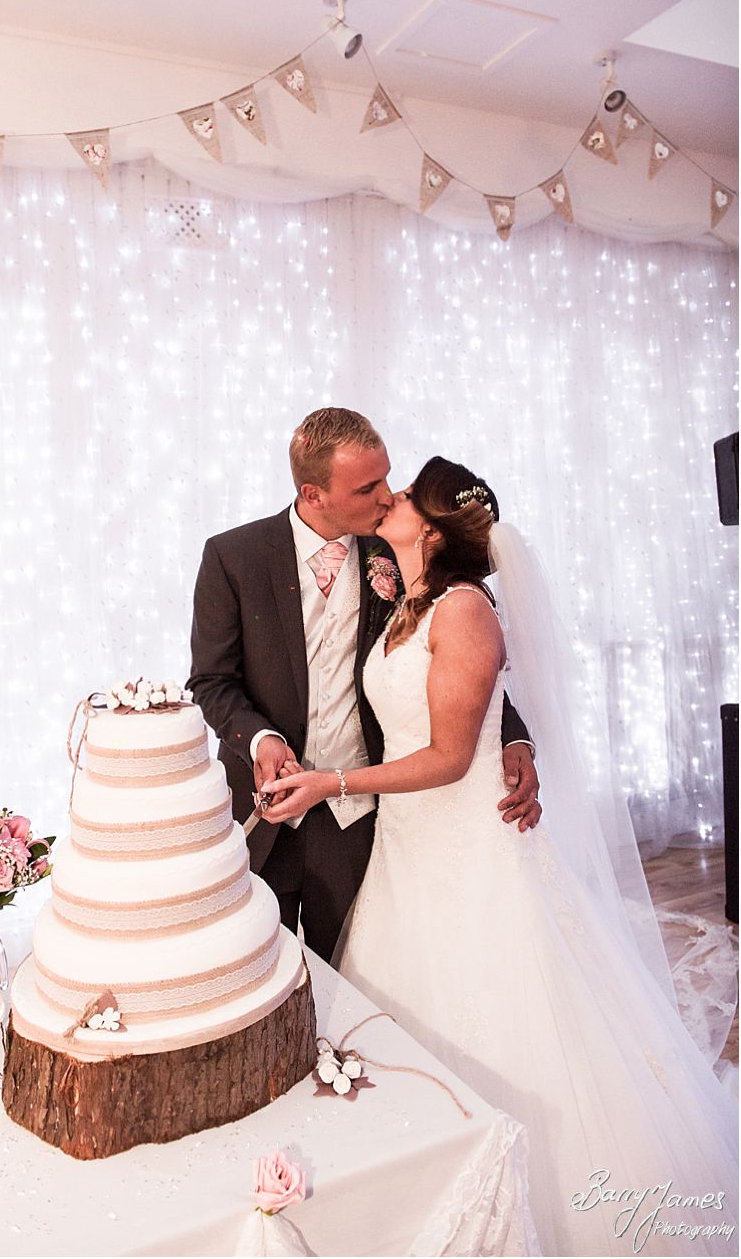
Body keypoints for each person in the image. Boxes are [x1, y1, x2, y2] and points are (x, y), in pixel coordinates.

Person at [262, 456, 738, 1256]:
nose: (391, 499)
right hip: (408, 849)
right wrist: (509, 740)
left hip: (468, 844)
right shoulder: (405, 595)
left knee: (504, 1015)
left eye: (405, 494)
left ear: (437, 528)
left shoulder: (465, 609)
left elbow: (451, 754)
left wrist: (329, 782)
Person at [188, 409, 540, 963]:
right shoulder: (234, 557)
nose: (386, 497)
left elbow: (463, 660)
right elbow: (211, 680)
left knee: (356, 983)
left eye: (387, 477)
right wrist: (260, 739)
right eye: (367, 486)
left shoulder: (400, 554)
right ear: (314, 493)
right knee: (257, 975)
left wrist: (514, 739)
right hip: (264, 814)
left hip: (362, 821)